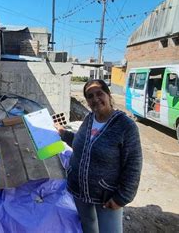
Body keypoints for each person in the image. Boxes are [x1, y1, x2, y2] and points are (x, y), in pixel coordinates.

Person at [55, 79, 142, 233]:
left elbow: (133, 165)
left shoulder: (125, 126)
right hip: (79, 189)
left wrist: (122, 198)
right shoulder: (89, 119)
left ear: (108, 95)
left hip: (105, 195)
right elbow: (80, 143)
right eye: (90, 96)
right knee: (88, 226)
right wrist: (62, 133)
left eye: (99, 93)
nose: (95, 99)